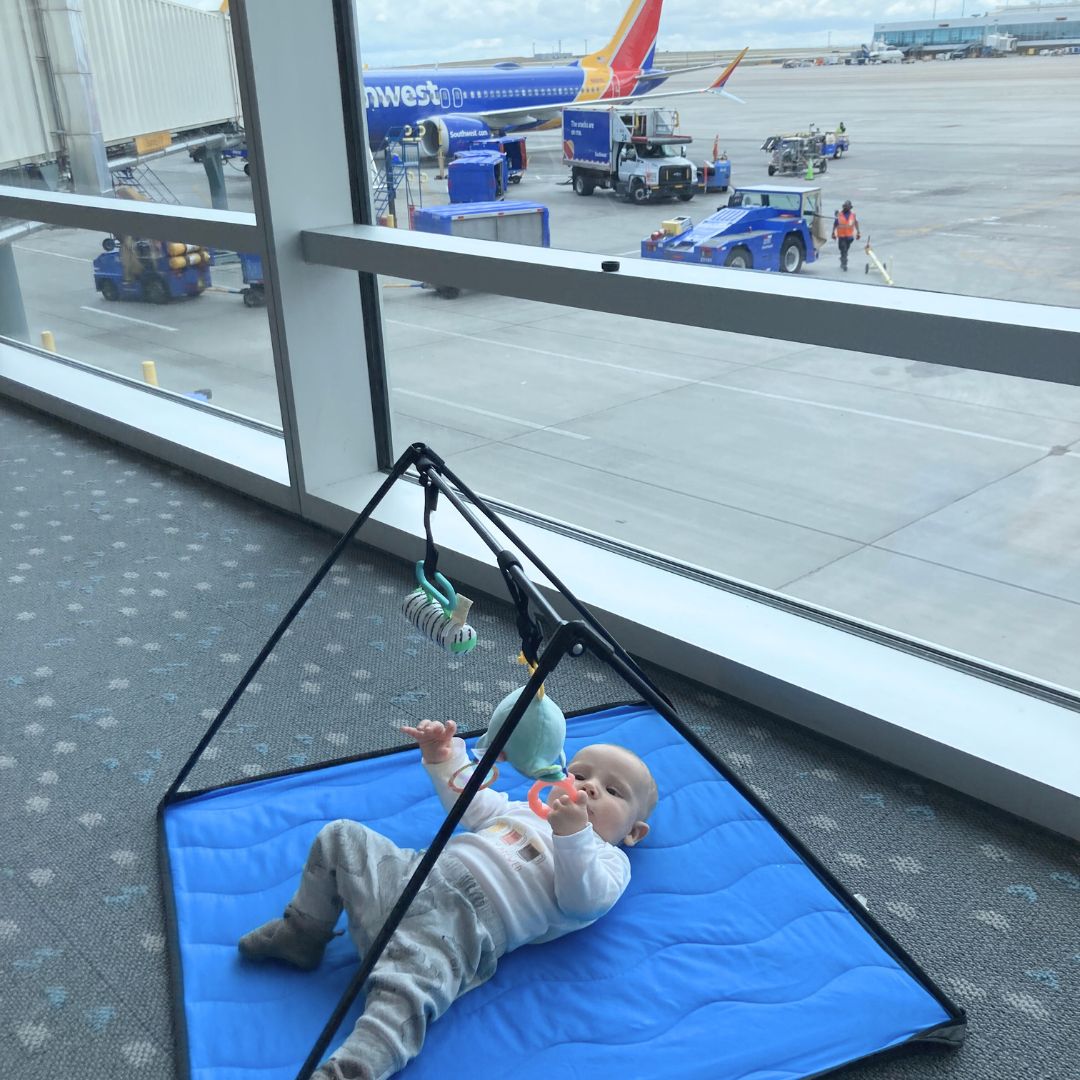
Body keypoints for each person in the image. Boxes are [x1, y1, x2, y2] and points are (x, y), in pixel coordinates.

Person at [237, 718, 659, 1080]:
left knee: (404, 999)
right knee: (341, 837)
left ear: (633, 833)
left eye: (613, 791)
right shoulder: (524, 809)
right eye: (581, 774)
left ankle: (352, 1069)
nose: (588, 790)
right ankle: (302, 934)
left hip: (463, 929)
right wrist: (444, 757)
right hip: (414, 874)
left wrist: (574, 836)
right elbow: (471, 803)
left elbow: (581, 902)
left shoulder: (608, 859)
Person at [832, 200, 861, 271]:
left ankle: (843, 259)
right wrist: (833, 233)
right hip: (841, 236)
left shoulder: (853, 215)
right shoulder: (839, 215)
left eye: (847, 206)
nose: (845, 207)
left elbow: (856, 223)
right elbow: (835, 224)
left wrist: (858, 232)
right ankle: (844, 264)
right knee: (843, 249)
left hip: (849, 237)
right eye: (845, 206)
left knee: (845, 250)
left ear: (850, 207)